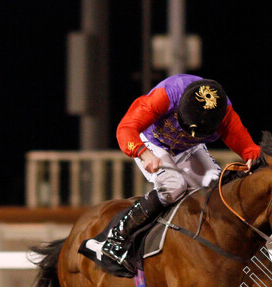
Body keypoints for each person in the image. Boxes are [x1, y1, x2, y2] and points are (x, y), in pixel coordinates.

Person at [89, 74, 262, 273]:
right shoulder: (167, 94)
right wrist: (143, 154)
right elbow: (126, 128)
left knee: (216, 187)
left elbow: (248, 147)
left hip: (188, 148)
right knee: (173, 186)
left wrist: (252, 158)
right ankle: (117, 238)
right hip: (153, 142)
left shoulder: (225, 113)